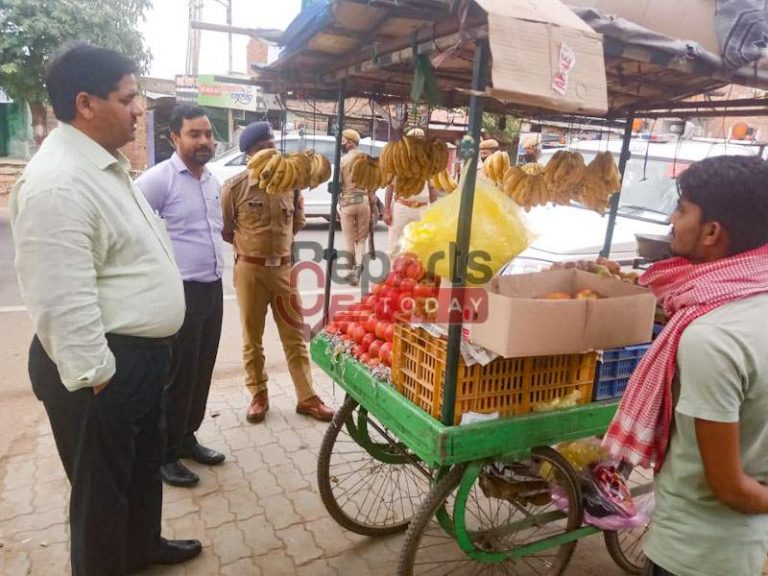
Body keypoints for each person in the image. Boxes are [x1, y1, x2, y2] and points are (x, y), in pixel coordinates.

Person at [10, 44, 201, 576]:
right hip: (100, 368)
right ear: (86, 103)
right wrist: (98, 378)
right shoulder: (59, 181)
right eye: (128, 97)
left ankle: (143, 547)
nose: (139, 109)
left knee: (140, 470)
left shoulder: (105, 165)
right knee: (101, 494)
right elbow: (58, 296)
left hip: (138, 358)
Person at [602, 155, 768, 576]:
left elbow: (730, 488)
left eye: (682, 208)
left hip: (697, 555)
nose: (672, 220)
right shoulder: (748, 302)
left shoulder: (712, 337)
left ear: (712, 232)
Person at [135, 104, 226, 489]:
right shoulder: (157, 181)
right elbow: (133, 233)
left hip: (212, 288)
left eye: (208, 133)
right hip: (180, 292)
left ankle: (188, 436)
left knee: (201, 370)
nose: (204, 140)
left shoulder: (212, 181)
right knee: (176, 376)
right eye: (194, 134)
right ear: (174, 137)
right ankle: (164, 454)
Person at [221, 121, 334, 424]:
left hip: (284, 269)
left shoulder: (291, 185)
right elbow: (227, 230)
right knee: (252, 338)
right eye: (262, 148)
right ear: (250, 154)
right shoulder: (234, 187)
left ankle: (307, 397)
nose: (270, 152)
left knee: (294, 334)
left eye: (272, 145)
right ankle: (258, 395)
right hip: (250, 271)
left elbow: (297, 222)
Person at [383, 128, 438, 256]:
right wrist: (386, 210)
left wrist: (434, 210)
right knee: (394, 246)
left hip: (422, 209)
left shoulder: (428, 162)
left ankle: (416, 274)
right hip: (402, 206)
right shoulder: (399, 160)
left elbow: (432, 188)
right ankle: (393, 274)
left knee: (421, 245)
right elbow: (390, 187)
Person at [338, 128, 376, 285]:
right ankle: (358, 267)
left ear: (350, 142)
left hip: (347, 202)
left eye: (343, 139)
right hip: (363, 201)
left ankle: (349, 271)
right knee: (361, 239)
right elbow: (373, 184)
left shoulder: (343, 161)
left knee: (348, 239)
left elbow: (339, 185)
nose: (341, 142)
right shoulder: (366, 159)